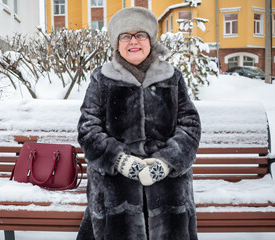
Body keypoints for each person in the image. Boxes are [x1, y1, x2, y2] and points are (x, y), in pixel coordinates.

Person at [77, 7, 201, 240]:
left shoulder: (172, 77)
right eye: (126, 36)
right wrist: (121, 161)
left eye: (140, 35)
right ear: (117, 43)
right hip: (116, 187)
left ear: (151, 40)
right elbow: (88, 128)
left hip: (168, 186)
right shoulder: (102, 78)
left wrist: (165, 163)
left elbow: (190, 126)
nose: (133, 41)